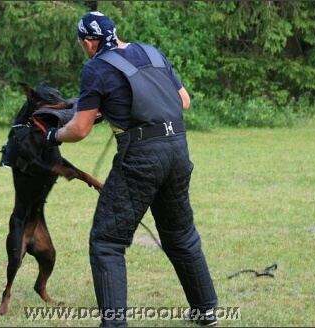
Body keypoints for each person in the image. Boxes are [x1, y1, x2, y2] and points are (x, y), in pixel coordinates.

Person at [44, 11, 218, 327]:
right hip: (177, 150)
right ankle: (206, 310)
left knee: (107, 241)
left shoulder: (95, 67)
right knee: (180, 234)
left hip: (140, 158)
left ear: (87, 42)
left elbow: (80, 129)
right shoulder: (152, 52)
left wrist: (52, 135)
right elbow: (184, 101)